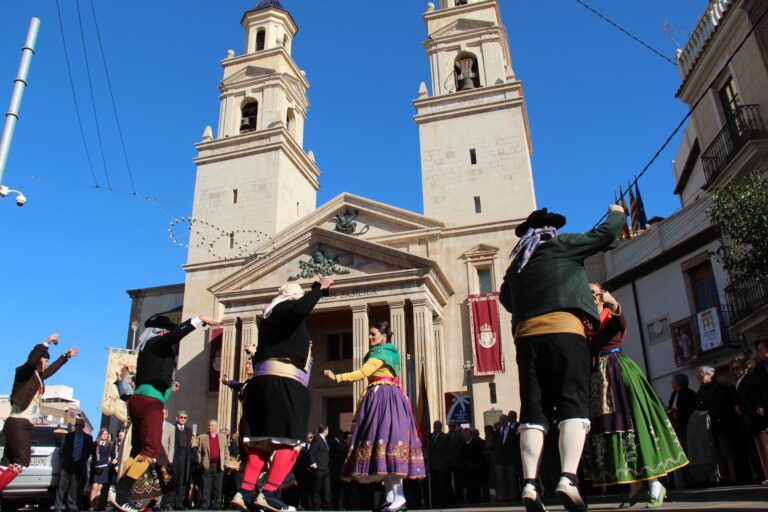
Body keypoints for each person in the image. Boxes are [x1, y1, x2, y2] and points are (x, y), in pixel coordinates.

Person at [499, 204, 625, 512]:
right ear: (550, 230)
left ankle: (529, 483)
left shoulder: (517, 264)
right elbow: (606, 232)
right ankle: (568, 479)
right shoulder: (562, 245)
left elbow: (505, 298)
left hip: (527, 340)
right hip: (566, 333)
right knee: (573, 403)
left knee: (533, 410)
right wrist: (616, 212)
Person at [583, 284, 687, 508]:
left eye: (593, 291)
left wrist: (614, 303)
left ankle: (655, 483)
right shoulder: (585, 321)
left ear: (602, 294)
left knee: (632, 423)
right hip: (598, 380)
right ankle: (635, 487)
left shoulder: (611, 312)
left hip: (617, 370)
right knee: (612, 428)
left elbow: (620, 321)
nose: (590, 295)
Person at [236, 278, 333, 512]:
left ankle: (245, 491)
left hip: (263, 383)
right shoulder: (287, 308)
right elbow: (300, 309)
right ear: (293, 297)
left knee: (263, 443)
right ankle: (269, 493)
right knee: (292, 441)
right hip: (285, 381)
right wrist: (319, 288)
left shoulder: (268, 318)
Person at [112, 313, 216, 512]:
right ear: (161, 331)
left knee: (146, 452)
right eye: (167, 331)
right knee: (150, 450)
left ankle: (149, 495)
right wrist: (199, 319)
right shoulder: (156, 343)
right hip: (150, 402)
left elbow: (153, 380)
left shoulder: (147, 351)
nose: (169, 333)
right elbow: (174, 336)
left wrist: (169, 387)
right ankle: (122, 493)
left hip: (142, 399)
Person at [323, 321, 426, 512]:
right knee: (382, 448)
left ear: (383, 336)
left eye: (373, 334)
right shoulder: (387, 353)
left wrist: (336, 377)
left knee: (386, 445)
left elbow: (363, 373)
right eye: (370, 335)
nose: (370, 337)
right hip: (382, 398)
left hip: (384, 398)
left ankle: (399, 496)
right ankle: (391, 496)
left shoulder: (382, 353)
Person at [0, 334, 79, 492]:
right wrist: (47, 342)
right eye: (45, 360)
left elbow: (51, 370)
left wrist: (65, 357)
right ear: (38, 359)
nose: (46, 364)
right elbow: (31, 362)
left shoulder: (38, 377)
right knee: (22, 461)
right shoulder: (25, 373)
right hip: (19, 422)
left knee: (6, 463)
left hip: (23, 423)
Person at [693, 366, 737, 483]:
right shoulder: (700, 390)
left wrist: (708, 413)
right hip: (708, 426)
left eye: (701, 374)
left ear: (709, 375)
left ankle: (732, 475)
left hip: (720, 423)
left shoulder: (718, 388)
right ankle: (721, 476)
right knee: (715, 452)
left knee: (726, 450)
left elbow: (720, 404)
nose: (698, 377)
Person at [55, 419, 94, 512]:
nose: (77, 427)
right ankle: (58, 507)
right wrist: (63, 461)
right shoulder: (68, 436)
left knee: (73, 487)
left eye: (79, 425)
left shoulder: (88, 438)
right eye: (76, 425)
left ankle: (71, 506)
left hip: (78, 464)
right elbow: (62, 450)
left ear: (83, 426)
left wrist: (83, 459)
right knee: (62, 486)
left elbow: (89, 451)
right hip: (67, 464)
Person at [748, 338, 768, 485]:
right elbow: (753, 391)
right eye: (759, 349)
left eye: (762, 348)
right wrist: (758, 406)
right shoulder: (759, 370)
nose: (760, 352)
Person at [163, 411, 193, 510]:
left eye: (185, 418)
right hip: (174, 458)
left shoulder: (189, 430)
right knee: (173, 481)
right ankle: (169, 503)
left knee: (183, 481)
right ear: (177, 418)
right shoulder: (172, 428)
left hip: (185, 459)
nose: (183, 419)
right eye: (181, 417)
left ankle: (179, 504)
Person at [198, 419, 229, 510]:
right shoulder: (203, 437)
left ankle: (216, 505)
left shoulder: (223, 437)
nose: (209, 427)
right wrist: (200, 462)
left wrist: (226, 461)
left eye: (211, 425)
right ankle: (205, 505)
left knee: (217, 486)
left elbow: (226, 450)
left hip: (219, 465)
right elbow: (199, 451)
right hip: (207, 465)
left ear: (216, 427)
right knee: (206, 486)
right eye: (209, 425)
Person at [493, 413, 520, 502]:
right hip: (499, 460)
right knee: (500, 478)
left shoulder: (513, 432)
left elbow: (516, 446)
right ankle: (502, 496)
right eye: (501, 420)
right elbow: (494, 446)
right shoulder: (496, 433)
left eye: (504, 419)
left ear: (508, 421)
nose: (502, 421)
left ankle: (512, 495)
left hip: (510, 459)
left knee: (511, 478)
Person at [308, 425, 332, 510]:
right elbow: (310, 452)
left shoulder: (324, 439)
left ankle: (327, 505)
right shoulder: (317, 439)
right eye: (328, 430)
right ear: (325, 430)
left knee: (327, 488)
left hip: (325, 467)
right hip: (319, 468)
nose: (328, 431)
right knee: (317, 488)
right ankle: (316, 505)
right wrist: (313, 463)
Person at [89, 429, 113, 510]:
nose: (105, 435)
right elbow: (94, 455)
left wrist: (102, 465)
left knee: (99, 488)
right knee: (94, 487)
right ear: (100, 434)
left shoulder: (109, 445)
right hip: (96, 467)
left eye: (106, 434)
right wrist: (97, 466)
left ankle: (96, 506)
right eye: (103, 434)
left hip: (104, 467)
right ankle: (91, 506)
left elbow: (107, 456)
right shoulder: (95, 443)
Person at [428, 421, 450, 507]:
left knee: (441, 484)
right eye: (434, 426)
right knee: (434, 485)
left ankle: (443, 502)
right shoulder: (431, 436)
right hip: (432, 465)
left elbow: (442, 447)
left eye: (437, 426)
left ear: (440, 427)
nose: (435, 427)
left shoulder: (444, 436)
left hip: (441, 465)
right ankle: (434, 501)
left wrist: (431, 444)